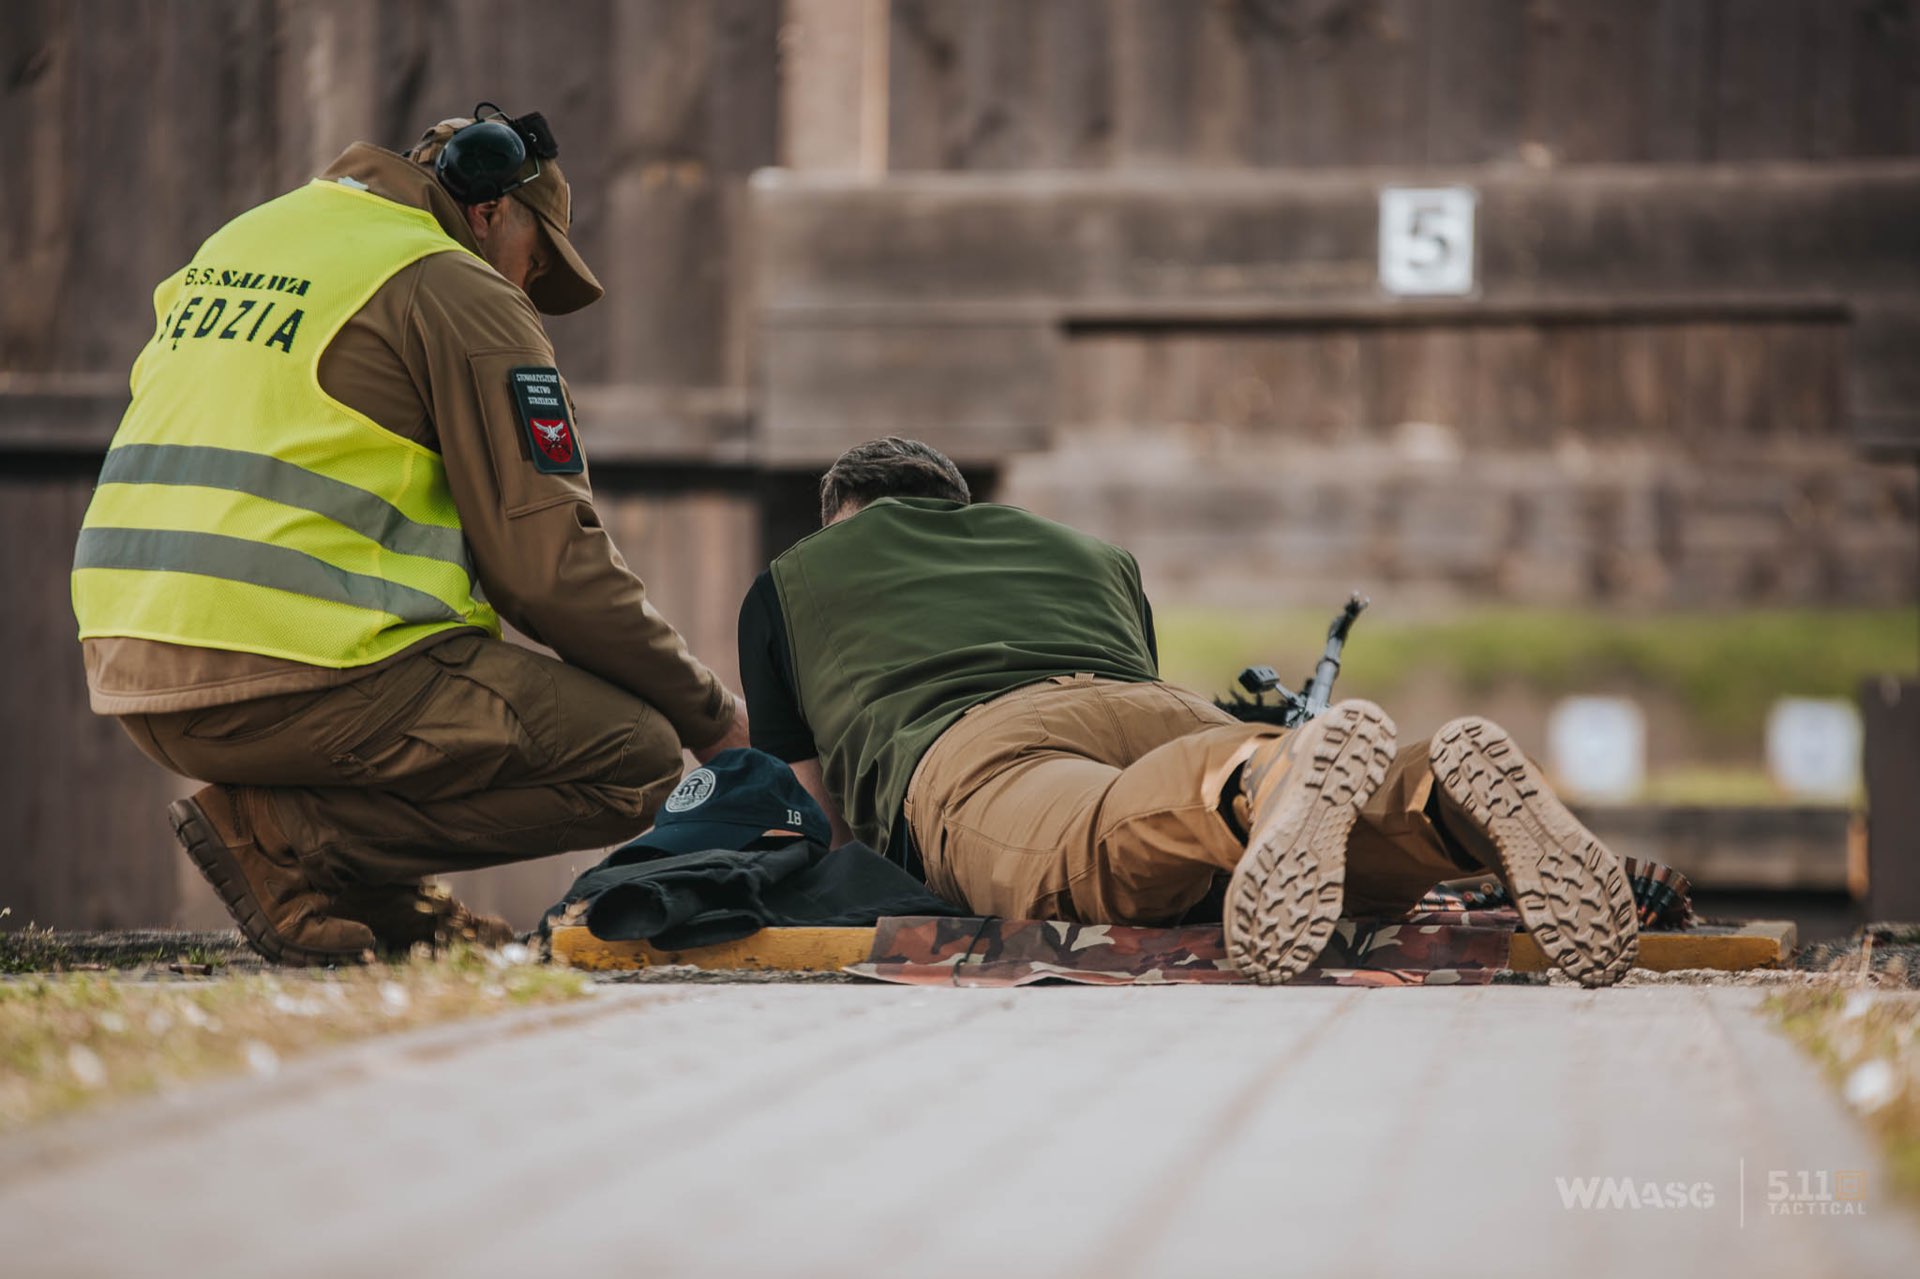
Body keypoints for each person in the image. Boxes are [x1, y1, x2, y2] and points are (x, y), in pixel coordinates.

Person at [71, 105, 749, 965]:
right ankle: (285, 842)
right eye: (535, 261)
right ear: (489, 209)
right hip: (294, 669)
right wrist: (712, 715)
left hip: (131, 662)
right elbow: (548, 570)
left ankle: (362, 891)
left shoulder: (249, 239)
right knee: (637, 758)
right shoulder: (455, 285)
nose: (528, 288)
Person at [737, 438, 1638, 986]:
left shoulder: (795, 578)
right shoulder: (1093, 553)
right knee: (1245, 837)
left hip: (981, 748)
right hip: (1165, 711)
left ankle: (1266, 777)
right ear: (957, 508)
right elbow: (1128, 688)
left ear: (840, 518)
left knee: (1100, 840)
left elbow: (817, 821)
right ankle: (1437, 795)